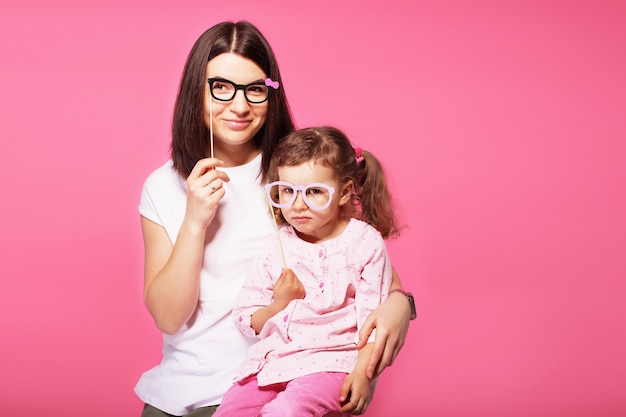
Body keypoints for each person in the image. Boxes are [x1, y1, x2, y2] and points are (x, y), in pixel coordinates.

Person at [135, 21, 414, 417]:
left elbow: (378, 274)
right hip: (185, 390)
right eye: (221, 87)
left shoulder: (295, 172)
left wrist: (402, 308)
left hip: (289, 380)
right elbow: (169, 317)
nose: (239, 105)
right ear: (196, 90)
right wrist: (195, 221)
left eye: (255, 89)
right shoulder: (163, 186)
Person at [213, 126, 401, 417]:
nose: (297, 205)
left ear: (344, 192)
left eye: (314, 192)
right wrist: (279, 304)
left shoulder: (364, 242)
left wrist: (363, 376)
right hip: (272, 363)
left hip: (331, 364)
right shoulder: (276, 247)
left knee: (285, 412)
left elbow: (372, 322)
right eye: (287, 191)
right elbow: (246, 318)